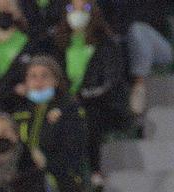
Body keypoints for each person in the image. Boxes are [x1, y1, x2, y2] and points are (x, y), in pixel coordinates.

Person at [54, 0, 128, 180]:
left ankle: (94, 171)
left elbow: (110, 82)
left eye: (84, 7)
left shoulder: (107, 44)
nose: (77, 13)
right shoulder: (58, 45)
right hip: (66, 102)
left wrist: (81, 96)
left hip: (101, 104)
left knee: (85, 117)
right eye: (72, 8)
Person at [12, 55, 89, 192]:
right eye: (33, 76)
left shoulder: (70, 111)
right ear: (25, 83)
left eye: (44, 76)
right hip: (22, 177)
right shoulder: (18, 113)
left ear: (56, 81)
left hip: (59, 179)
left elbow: (73, 154)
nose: (38, 82)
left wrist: (45, 162)